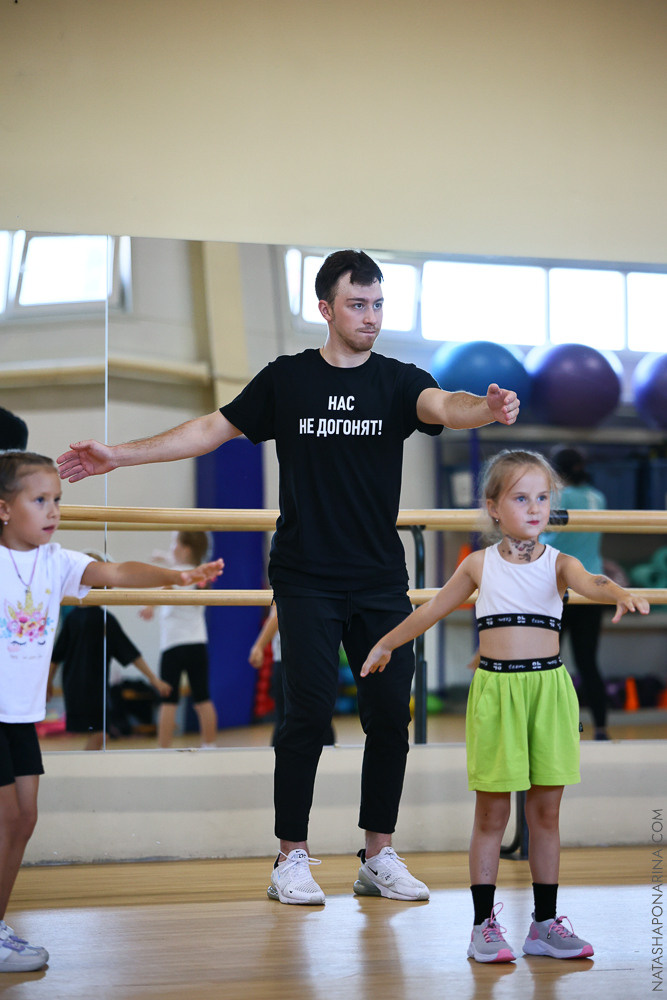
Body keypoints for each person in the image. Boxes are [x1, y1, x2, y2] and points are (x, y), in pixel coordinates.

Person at [56, 248, 520, 907]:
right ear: (326, 309)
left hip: (379, 580)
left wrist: (488, 407)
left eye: (378, 304)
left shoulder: (394, 381)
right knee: (305, 715)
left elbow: (446, 404)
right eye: (357, 304)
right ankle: (290, 857)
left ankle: (378, 853)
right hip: (305, 578)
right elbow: (209, 430)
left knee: (389, 714)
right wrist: (117, 457)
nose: (370, 316)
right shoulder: (287, 380)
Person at [361, 449, 650, 962]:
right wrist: (386, 642)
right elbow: (430, 609)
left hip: (549, 691)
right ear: (494, 507)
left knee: (546, 810)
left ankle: (543, 924)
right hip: (498, 692)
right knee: (492, 812)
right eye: (521, 497)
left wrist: (619, 592)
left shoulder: (562, 562)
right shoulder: (478, 564)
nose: (535, 507)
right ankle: (482, 925)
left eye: (542, 497)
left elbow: (594, 583)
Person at [0, 450, 223, 970]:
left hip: (19, 717)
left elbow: (117, 570)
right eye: (39, 500)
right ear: (4, 509)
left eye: (57, 499)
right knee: (8, 815)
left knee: (26, 815)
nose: (53, 510)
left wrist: (177, 577)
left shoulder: (56, 562)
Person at [48, 552, 172, 750]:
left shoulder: (75, 618)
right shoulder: (101, 620)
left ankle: (85, 768)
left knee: (99, 733)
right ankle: (84, 770)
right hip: (91, 689)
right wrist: (153, 680)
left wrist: (47, 685)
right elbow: (131, 653)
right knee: (100, 733)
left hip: (76, 686)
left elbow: (55, 657)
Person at [542, 447, 610, 739]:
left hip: (560, 588)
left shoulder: (560, 497)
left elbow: (545, 537)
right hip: (593, 588)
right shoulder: (599, 497)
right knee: (588, 662)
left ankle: (553, 729)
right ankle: (602, 728)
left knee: (547, 662)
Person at [139, 531, 219, 748]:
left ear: (185, 550)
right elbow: (181, 566)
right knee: (202, 699)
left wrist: (149, 607)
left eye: (173, 543)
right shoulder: (199, 574)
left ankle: (164, 748)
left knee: (168, 701)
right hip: (197, 644)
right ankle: (210, 745)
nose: (170, 548)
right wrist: (164, 556)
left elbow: (167, 587)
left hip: (173, 646)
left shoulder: (174, 574)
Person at [248, 605, 335, 747]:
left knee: (292, 719)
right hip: (306, 654)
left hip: (293, 656)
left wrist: (259, 645)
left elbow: (278, 613)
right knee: (316, 716)